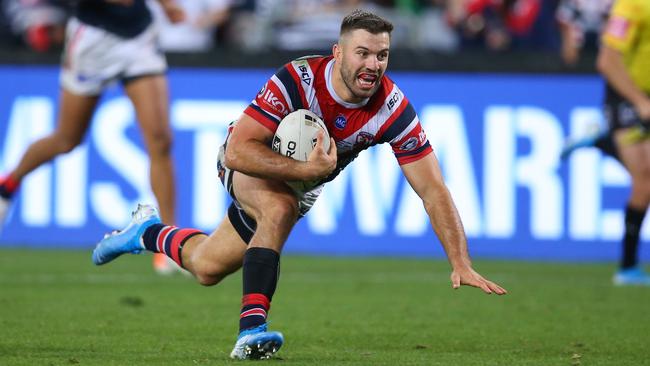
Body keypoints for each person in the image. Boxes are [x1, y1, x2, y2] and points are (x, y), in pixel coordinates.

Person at [91, 9, 508, 360]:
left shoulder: (392, 108)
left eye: (382, 55)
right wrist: (307, 172)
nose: (373, 65)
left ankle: (146, 233)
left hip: (301, 184)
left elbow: (433, 189)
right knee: (277, 209)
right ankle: (251, 330)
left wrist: (460, 261)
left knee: (206, 267)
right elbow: (238, 150)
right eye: (362, 53)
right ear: (338, 52)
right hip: (249, 160)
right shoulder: (298, 79)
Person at [0, 0, 184, 275]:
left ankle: (168, 245)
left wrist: (168, 5)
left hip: (138, 35)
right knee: (67, 138)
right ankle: (8, 185)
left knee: (160, 139)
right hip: (94, 38)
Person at [595, 0, 650, 285]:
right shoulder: (632, 5)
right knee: (645, 179)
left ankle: (605, 142)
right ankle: (628, 267)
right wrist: (640, 101)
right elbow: (607, 60)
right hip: (628, 97)